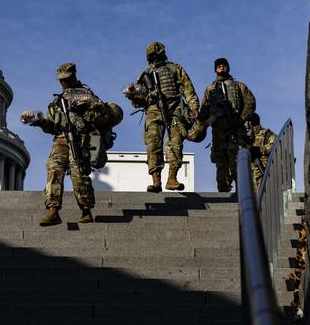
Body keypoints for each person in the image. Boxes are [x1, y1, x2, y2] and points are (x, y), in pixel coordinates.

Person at [21, 63, 121, 226]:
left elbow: (102, 116)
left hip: (81, 138)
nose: (64, 83)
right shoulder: (57, 101)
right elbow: (52, 126)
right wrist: (38, 121)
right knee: (54, 169)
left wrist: (85, 107)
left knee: (78, 172)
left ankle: (86, 210)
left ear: (73, 77)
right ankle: (53, 210)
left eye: (66, 79)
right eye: (61, 80)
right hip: (61, 138)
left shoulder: (87, 95)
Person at [124, 42, 199, 193]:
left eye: (155, 55)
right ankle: (156, 180)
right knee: (153, 145)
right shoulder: (145, 75)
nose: (153, 58)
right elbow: (138, 102)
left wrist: (194, 107)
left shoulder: (175, 68)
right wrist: (132, 94)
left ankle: (172, 178)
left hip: (175, 109)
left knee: (175, 142)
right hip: (154, 111)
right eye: (151, 56)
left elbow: (187, 88)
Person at [198, 58, 256, 192]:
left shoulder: (239, 86)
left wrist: (240, 119)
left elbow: (250, 102)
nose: (221, 68)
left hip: (236, 127)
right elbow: (204, 108)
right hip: (218, 129)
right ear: (215, 69)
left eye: (224, 66)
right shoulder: (210, 89)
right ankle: (223, 188)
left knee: (236, 158)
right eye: (219, 66)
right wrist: (202, 119)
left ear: (228, 68)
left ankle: (241, 189)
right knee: (220, 159)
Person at [247, 113, 277, 191]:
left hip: (262, 170)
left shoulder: (267, 134)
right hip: (248, 173)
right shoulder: (244, 136)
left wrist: (259, 149)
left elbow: (274, 146)